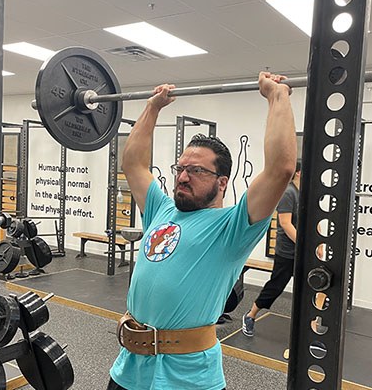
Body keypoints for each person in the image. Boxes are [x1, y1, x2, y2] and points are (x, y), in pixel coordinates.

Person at [107, 72, 297, 390]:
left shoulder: (233, 228)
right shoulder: (161, 208)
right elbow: (134, 165)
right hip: (129, 367)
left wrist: (277, 96)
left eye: (196, 171)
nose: (183, 177)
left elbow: (280, 169)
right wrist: (153, 108)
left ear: (222, 182)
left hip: (187, 377)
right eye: (180, 168)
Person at [242, 161, 303, 337]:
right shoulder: (289, 193)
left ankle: (311, 328)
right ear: (298, 173)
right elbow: (285, 223)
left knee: (309, 291)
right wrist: (303, 245)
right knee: (276, 286)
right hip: (287, 251)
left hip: (303, 252)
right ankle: (251, 315)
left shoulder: (304, 193)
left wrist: (318, 244)